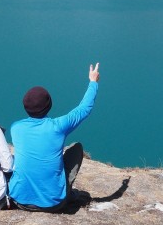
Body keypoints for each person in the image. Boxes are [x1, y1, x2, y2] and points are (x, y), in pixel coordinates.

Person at [8, 63, 100, 212]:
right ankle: (67, 193)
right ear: (49, 105)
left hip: (19, 200)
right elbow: (84, 109)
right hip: (53, 203)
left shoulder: (16, 128)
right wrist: (93, 82)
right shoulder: (57, 126)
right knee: (76, 149)